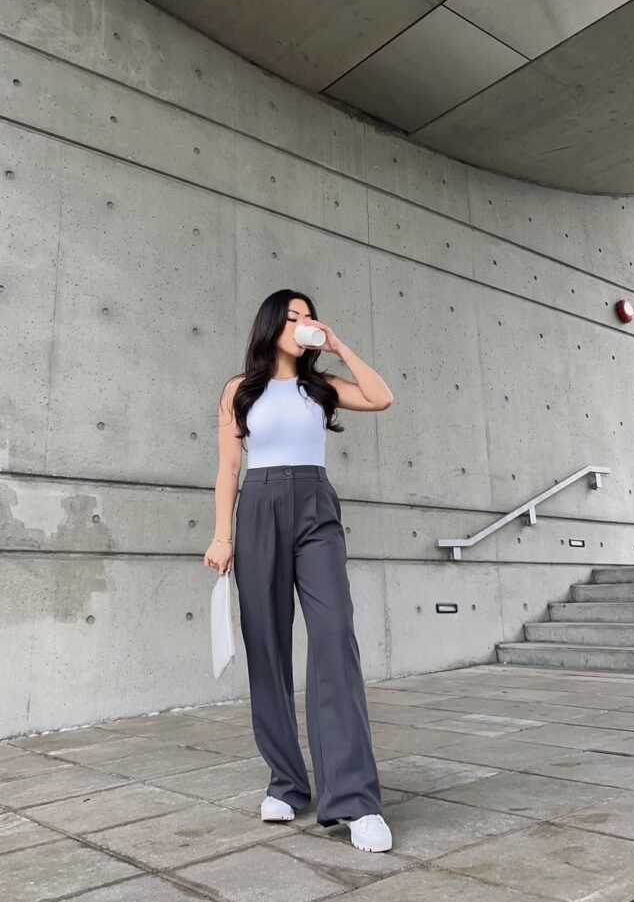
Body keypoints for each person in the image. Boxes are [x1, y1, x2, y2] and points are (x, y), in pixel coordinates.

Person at [203, 288, 394, 852]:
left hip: (315, 505)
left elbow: (382, 397)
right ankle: (287, 784)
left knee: (334, 637)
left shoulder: (322, 387)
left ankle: (355, 801)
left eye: (310, 316)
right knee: (266, 645)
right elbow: (228, 468)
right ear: (271, 325)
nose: (304, 323)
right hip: (258, 507)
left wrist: (336, 345)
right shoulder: (239, 391)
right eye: (294, 316)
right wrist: (222, 535)